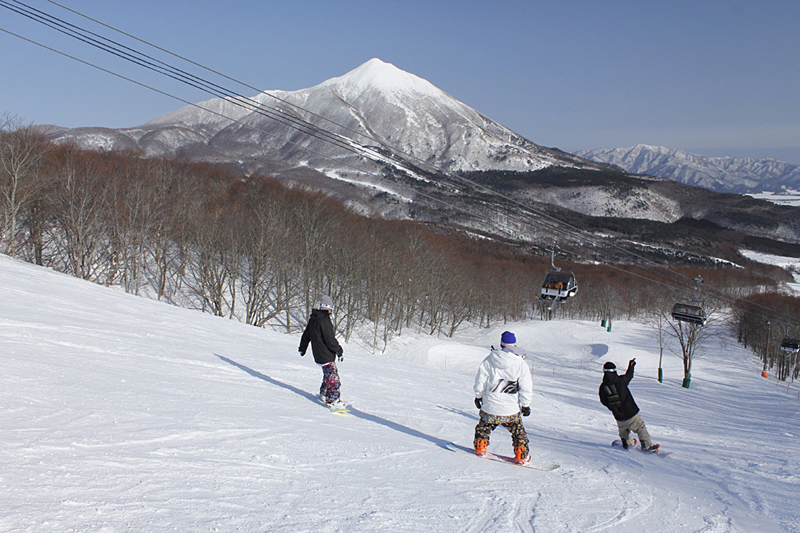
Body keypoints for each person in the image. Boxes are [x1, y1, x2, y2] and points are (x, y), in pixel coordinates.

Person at [473, 331, 533, 465]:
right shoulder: (520, 363)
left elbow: (480, 380)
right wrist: (525, 404)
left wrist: (478, 396)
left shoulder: (490, 359)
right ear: (514, 345)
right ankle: (520, 454)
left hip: (490, 406)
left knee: (484, 426)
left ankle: (481, 446)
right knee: (518, 433)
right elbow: (526, 386)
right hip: (510, 410)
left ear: (501, 344)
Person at [598, 359, 659, 453]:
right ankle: (647, 445)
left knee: (623, 430)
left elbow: (603, 401)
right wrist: (631, 366)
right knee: (640, 428)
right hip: (631, 413)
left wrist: (613, 407)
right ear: (614, 370)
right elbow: (629, 376)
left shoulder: (603, 387)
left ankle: (627, 442)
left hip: (618, 416)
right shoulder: (620, 381)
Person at [299, 295, 345, 410]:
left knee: (327, 376)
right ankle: (332, 400)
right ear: (328, 308)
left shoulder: (314, 319)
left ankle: (324, 395)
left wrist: (302, 348)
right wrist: (339, 351)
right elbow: (329, 339)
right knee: (334, 379)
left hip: (318, 355)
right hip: (326, 355)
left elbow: (306, 335)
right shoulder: (324, 320)